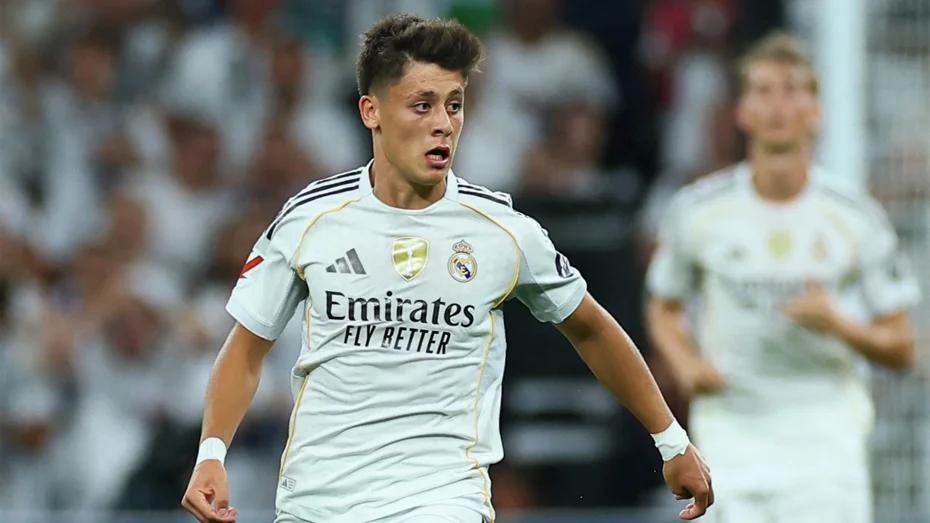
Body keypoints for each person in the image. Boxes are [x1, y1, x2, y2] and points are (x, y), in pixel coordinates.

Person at [182, 14, 713, 523]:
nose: (443, 124)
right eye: (422, 105)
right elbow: (246, 348)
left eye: (454, 105)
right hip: (316, 502)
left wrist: (672, 441)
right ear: (371, 111)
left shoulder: (504, 231)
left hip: (441, 500)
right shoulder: (310, 218)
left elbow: (592, 329)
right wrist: (211, 454)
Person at [645, 32, 921, 523]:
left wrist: (837, 323)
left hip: (825, 433)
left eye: (792, 89)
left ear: (816, 111)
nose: (778, 104)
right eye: (763, 90)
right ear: (741, 111)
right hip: (731, 428)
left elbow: (902, 346)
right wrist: (685, 364)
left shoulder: (855, 216)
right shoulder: (698, 210)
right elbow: (663, 305)